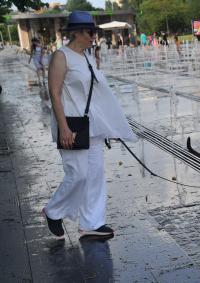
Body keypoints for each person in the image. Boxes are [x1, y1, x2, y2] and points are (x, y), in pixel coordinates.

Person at [44, 11, 137, 238]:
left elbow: (95, 94)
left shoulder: (87, 57)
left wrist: (108, 124)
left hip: (91, 126)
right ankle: (53, 211)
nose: (93, 36)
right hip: (71, 125)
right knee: (78, 174)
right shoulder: (61, 56)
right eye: (89, 32)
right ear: (76, 33)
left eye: (94, 32)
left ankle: (91, 223)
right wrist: (63, 127)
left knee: (95, 175)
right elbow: (54, 94)